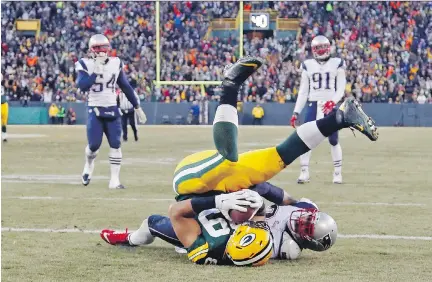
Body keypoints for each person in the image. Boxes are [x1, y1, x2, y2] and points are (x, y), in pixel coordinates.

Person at [171, 56, 377, 200]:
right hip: (229, 183)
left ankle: (229, 86)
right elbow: (266, 191)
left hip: (190, 180)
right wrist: (295, 205)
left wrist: (217, 202)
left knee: (227, 159)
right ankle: (339, 118)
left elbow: (168, 217)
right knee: (281, 156)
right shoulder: (243, 203)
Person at [101, 183, 338, 264]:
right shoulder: (305, 208)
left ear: (306, 241)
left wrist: (258, 207)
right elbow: (287, 199)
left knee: (153, 224)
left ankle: (129, 238)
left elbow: (248, 236)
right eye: (309, 218)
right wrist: (264, 189)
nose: (302, 219)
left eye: (306, 227)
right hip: (228, 207)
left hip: (219, 232)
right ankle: (133, 238)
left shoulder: (287, 247)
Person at [75, 34, 146, 189]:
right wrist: (96, 71)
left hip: (112, 108)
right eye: (97, 49)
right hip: (95, 108)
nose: (101, 52)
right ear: (91, 50)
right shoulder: (84, 64)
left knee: (116, 143)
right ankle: (89, 165)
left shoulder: (115, 63)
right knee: (94, 145)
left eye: (104, 48)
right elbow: (82, 86)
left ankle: (114, 180)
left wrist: (136, 106)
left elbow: (125, 86)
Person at [290, 35, 347, 184]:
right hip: (313, 104)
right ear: (313, 49)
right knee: (306, 138)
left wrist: (332, 102)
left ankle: (337, 173)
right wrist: (296, 111)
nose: (321, 51)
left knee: (333, 139)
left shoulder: (337, 63)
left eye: (324, 47)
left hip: (330, 105)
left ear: (328, 48)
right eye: (318, 48)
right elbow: (303, 91)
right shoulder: (308, 65)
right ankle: (304, 172)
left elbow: (341, 87)